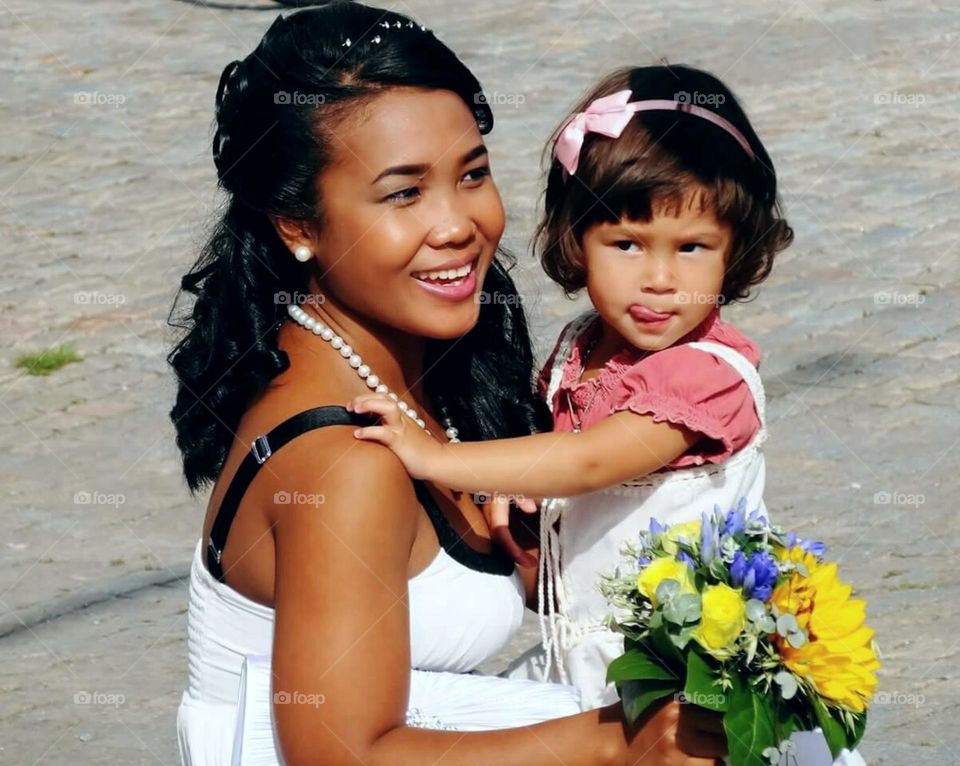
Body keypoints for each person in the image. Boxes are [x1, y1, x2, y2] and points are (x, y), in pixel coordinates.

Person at [168, 5, 725, 765]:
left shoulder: (422, 372)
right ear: (296, 224)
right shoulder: (345, 465)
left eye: (471, 174)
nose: (457, 223)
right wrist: (614, 744)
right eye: (403, 194)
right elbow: (342, 755)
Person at [350, 64, 865, 765]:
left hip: (697, 681)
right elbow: (567, 485)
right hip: (592, 666)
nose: (659, 279)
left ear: (735, 251)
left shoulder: (707, 377)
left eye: (692, 248)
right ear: (575, 239)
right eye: (626, 244)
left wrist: (434, 455)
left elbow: (589, 460)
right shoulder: (578, 350)